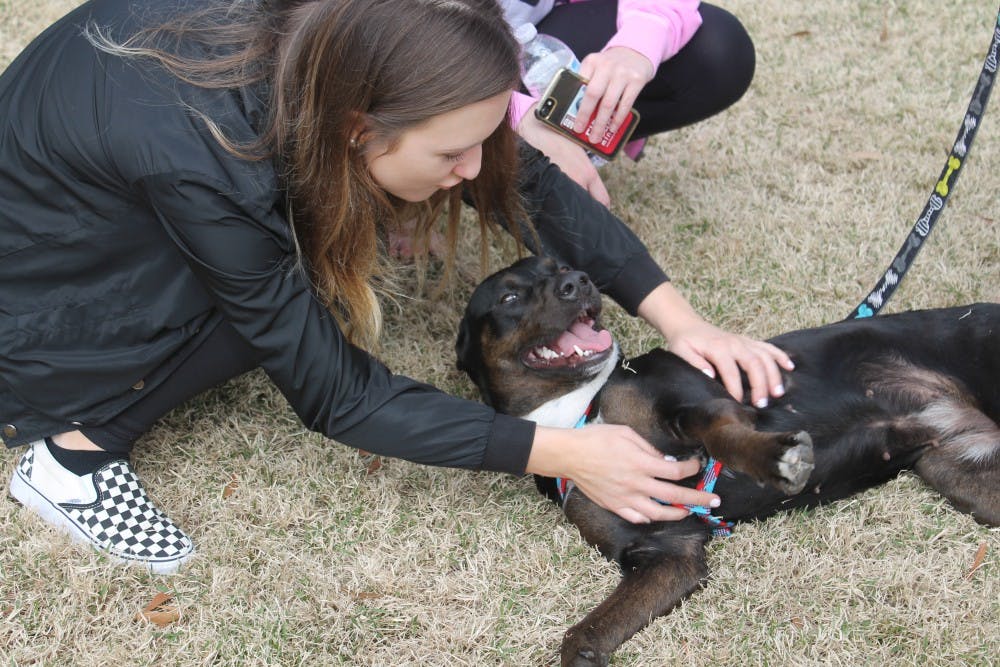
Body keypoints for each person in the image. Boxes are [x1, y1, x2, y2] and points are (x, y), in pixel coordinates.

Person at [0, 0, 791, 574]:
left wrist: (680, 320)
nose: (475, 172)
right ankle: (75, 458)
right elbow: (335, 394)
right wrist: (563, 451)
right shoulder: (213, 162)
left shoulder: (354, 40)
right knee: (296, 275)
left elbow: (532, 184)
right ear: (357, 127)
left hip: (110, 190)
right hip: (36, 289)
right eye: (453, 153)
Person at [501, 0, 756, 207]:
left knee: (719, 49)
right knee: (487, 131)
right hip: (467, 86)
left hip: (534, 39)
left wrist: (637, 44)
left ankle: (570, 154)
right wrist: (519, 118)